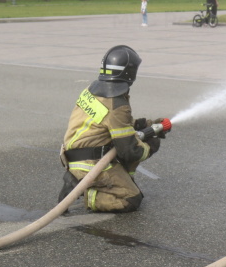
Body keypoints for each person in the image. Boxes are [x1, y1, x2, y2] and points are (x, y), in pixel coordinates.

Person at [58, 45, 165, 212]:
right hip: (91, 163)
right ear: (130, 73)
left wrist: (146, 124)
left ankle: (94, 180)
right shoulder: (117, 104)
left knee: (126, 144)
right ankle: (90, 192)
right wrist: (152, 145)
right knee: (131, 199)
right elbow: (130, 152)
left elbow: (112, 123)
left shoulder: (92, 90)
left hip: (74, 155)